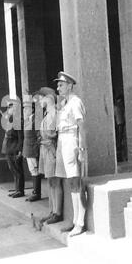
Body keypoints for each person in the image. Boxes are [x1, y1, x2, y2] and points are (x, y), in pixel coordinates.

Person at [54, 71, 87, 237]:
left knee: (76, 182)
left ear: (69, 85)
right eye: (58, 85)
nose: (58, 88)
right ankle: (75, 221)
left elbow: (81, 127)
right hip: (63, 140)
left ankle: (80, 223)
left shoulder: (75, 102)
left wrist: (82, 149)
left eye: (61, 85)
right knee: (71, 183)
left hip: (72, 141)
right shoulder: (65, 103)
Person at [35, 87, 63, 225]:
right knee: (50, 182)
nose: (39, 101)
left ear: (49, 98)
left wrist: (54, 152)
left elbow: (54, 135)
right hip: (46, 150)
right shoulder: (48, 114)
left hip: (52, 150)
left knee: (55, 182)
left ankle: (57, 212)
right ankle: (52, 211)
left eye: (41, 98)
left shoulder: (54, 114)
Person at [1, 99, 25, 198]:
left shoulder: (17, 120)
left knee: (17, 170)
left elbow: (21, 137)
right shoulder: (10, 119)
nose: (9, 109)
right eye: (9, 108)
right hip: (8, 148)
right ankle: (17, 189)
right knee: (13, 170)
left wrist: (20, 150)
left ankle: (20, 191)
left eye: (11, 107)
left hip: (14, 149)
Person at [22, 98, 42, 202]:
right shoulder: (28, 120)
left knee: (35, 171)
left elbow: (39, 136)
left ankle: (36, 193)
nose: (24, 110)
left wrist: (36, 150)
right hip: (28, 150)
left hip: (33, 150)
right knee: (32, 171)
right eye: (24, 108)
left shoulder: (36, 120)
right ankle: (35, 192)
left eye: (26, 108)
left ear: (32, 109)